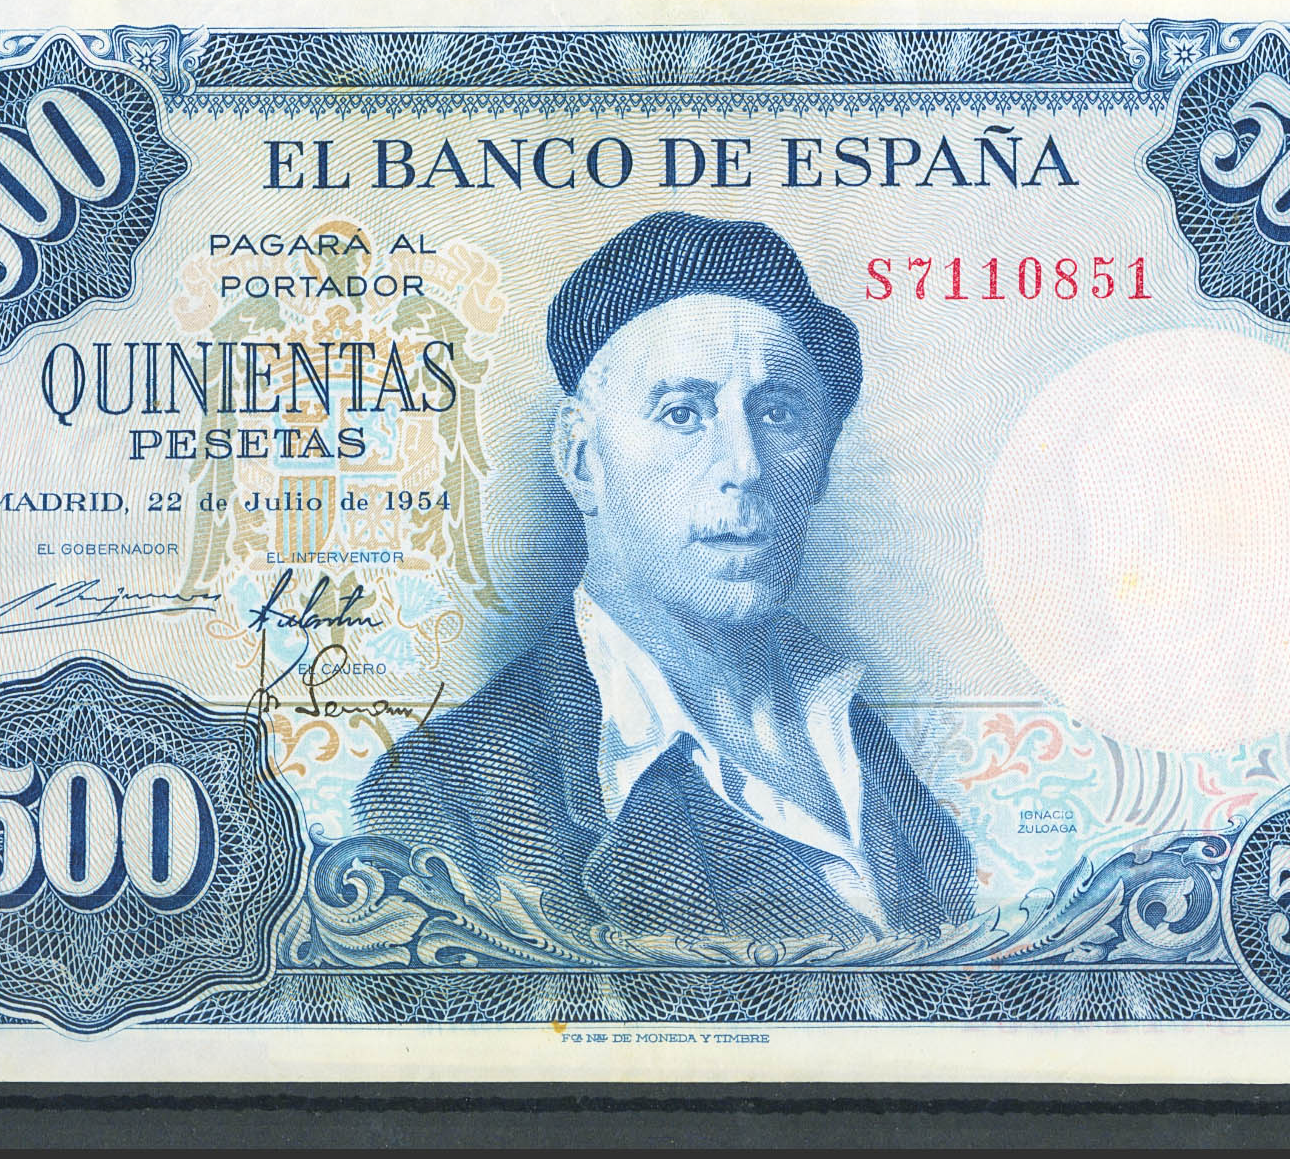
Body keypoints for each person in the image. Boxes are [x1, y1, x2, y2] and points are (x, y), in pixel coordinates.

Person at [356, 211, 977, 948]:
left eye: (777, 413)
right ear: (581, 458)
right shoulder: (444, 798)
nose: (745, 465)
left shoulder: (867, 742)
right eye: (683, 414)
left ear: (821, 463)